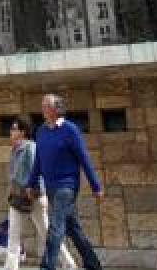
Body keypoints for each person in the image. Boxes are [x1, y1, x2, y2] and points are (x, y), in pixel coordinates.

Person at [26, 93, 104, 270]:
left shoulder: (70, 130)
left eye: (46, 105)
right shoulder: (41, 131)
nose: (43, 109)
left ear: (56, 109)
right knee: (72, 228)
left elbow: (84, 158)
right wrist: (31, 183)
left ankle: (47, 266)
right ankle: (93, 263)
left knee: (55, 226)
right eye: (43, 105)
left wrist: (96, 186)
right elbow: (39, 161)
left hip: (67, 186)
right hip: (51, 187)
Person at [6, 116, 77, 270]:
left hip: (33, 196)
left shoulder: (30, 147)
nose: (11, 132)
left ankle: (69, 263)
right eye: (11, 129)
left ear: (22, 132)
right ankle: (69, 263)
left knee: (45, 233)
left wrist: (32, 190)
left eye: (14, 129)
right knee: (14, 235)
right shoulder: (16, 149)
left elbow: (37, 170)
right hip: (18, 197)